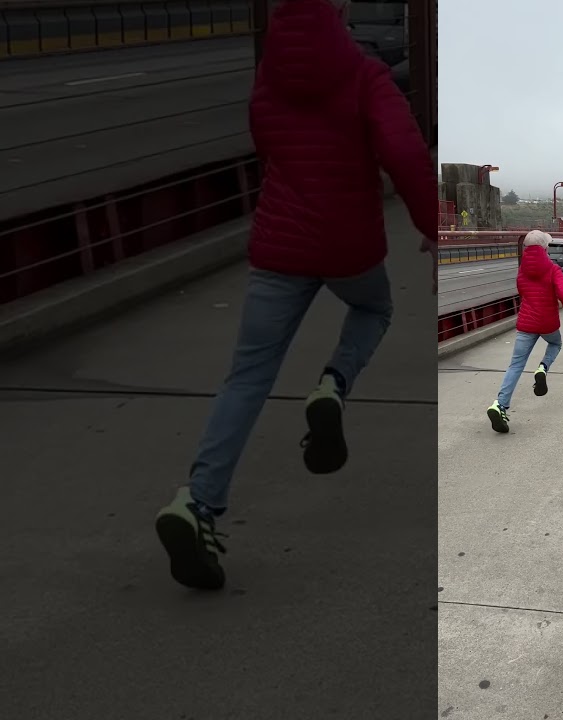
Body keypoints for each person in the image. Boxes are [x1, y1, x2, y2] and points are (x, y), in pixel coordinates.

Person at [153, 0, 436, 592]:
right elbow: (406, 155)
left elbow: (268, 146)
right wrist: (435, 230)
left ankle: (197, 503)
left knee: (247, 376)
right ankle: (332, 384)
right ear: (340, 9)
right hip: (347, 246)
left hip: (279, 246)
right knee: (374, 308)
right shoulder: (364, 76)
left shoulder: (268, 76)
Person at [487, 231, 563, 433]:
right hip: (547, 324)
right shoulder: (553, 269)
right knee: (555, 344)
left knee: (515, 365)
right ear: (545, 249)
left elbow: (522, 291)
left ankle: (500, 405)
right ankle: (543, 368)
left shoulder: (522, 270)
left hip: (526, 324)